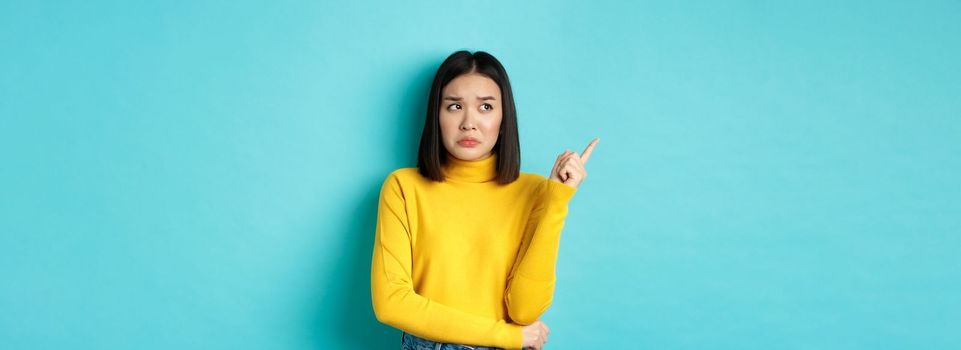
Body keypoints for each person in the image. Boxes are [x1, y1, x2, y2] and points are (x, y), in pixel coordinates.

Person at [370, 50, 598, 350]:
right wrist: (506, 336)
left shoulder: (534, 191)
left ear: (504, 119)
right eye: (454, 106)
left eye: (486, 107)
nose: (469, 123)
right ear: (436, 116)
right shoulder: (403, 187)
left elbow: (524, 310)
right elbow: (391, 303)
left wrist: (557, 200)